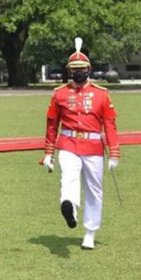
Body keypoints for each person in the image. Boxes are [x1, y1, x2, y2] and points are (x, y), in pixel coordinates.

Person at [41, 38, 120, 250]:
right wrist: (48, 153)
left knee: (94, 189)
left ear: (89, 69)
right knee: (69, 175)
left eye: (82, 68)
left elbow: (110, 124)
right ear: (68, 71)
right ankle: (70, 207)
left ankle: (90, 232)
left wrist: (114, 153)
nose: (79, 72)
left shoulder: (101, 94)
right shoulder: (60, 94)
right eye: (74, 69)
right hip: (67, 143)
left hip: (93, 147)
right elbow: (52, 124)